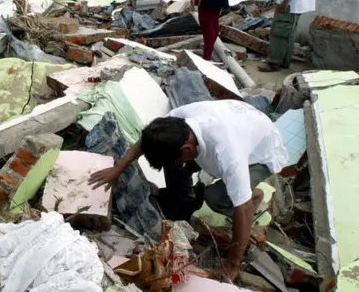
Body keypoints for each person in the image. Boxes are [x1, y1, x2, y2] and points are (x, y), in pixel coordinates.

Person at [89, 100, 288, 281]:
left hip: (261, 153)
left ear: (187, 150)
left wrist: (232, 265)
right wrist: (118, 168)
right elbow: (146, 141)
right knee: (174, 166)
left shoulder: (230, 156)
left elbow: (242, 209)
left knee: (217, 198)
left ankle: (253, 196)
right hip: (237, 123)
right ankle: (184, 207)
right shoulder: (177, 122)